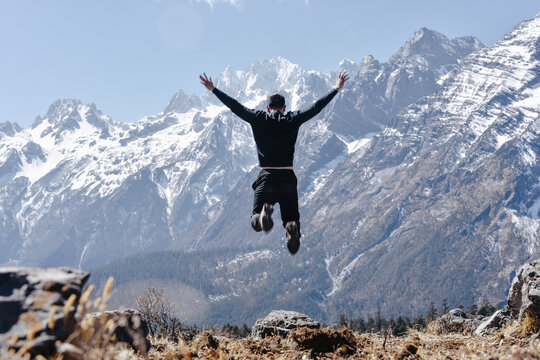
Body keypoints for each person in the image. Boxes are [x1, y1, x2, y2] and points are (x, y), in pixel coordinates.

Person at [199, 70, 349, 255]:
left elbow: (235, 106)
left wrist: (214, 89)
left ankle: (263, 217)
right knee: (291, 218)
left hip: (267, 177)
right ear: (284, 108)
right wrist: (336, 89)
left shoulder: (258, 118)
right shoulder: (292, 119)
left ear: (268, 108)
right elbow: (316, 107)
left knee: (255, 220)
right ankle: (292, 230)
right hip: (287, 177)